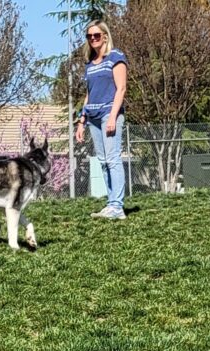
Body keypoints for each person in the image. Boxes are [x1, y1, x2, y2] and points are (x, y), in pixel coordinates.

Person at [75, 20, 128, 219]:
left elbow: (121, 88)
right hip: (93, 117)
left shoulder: (116, 57)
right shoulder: (89, 64)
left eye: (96, 35)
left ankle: (117, 205)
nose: (93, 39)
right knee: (104, 161)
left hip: (109, 114)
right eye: (89, 36)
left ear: (105, 36)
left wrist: (113, 116)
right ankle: (111, 202)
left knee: (113, 159)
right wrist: (82, 121)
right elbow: (89, 94)